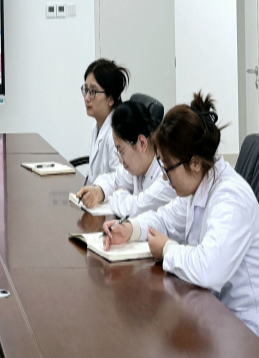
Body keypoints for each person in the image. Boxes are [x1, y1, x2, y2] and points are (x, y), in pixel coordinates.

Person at [102, 92, 259, 336]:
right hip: (211, 313)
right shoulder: (199, 185)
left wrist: (167, 249)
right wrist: (130, 229)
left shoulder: (231, 197)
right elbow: (164, 218)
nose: (165, 178)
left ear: (194, 163)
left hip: (244, 329)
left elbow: (209, 268)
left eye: (169, 169)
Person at [76, 100, 176, 217]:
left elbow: (136, 209)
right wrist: (99, 191)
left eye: (121, 151)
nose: (120, 160)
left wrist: (118, 195)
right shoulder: (140, 164)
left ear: (142, 143)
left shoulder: (165, 176)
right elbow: (115, 179)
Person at [81, 58, 130, 183]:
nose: (87, 98)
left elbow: (121, 180)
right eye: (86, 90)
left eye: (93, 91)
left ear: (110, 99)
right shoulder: (96, 126)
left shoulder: (116, 134)